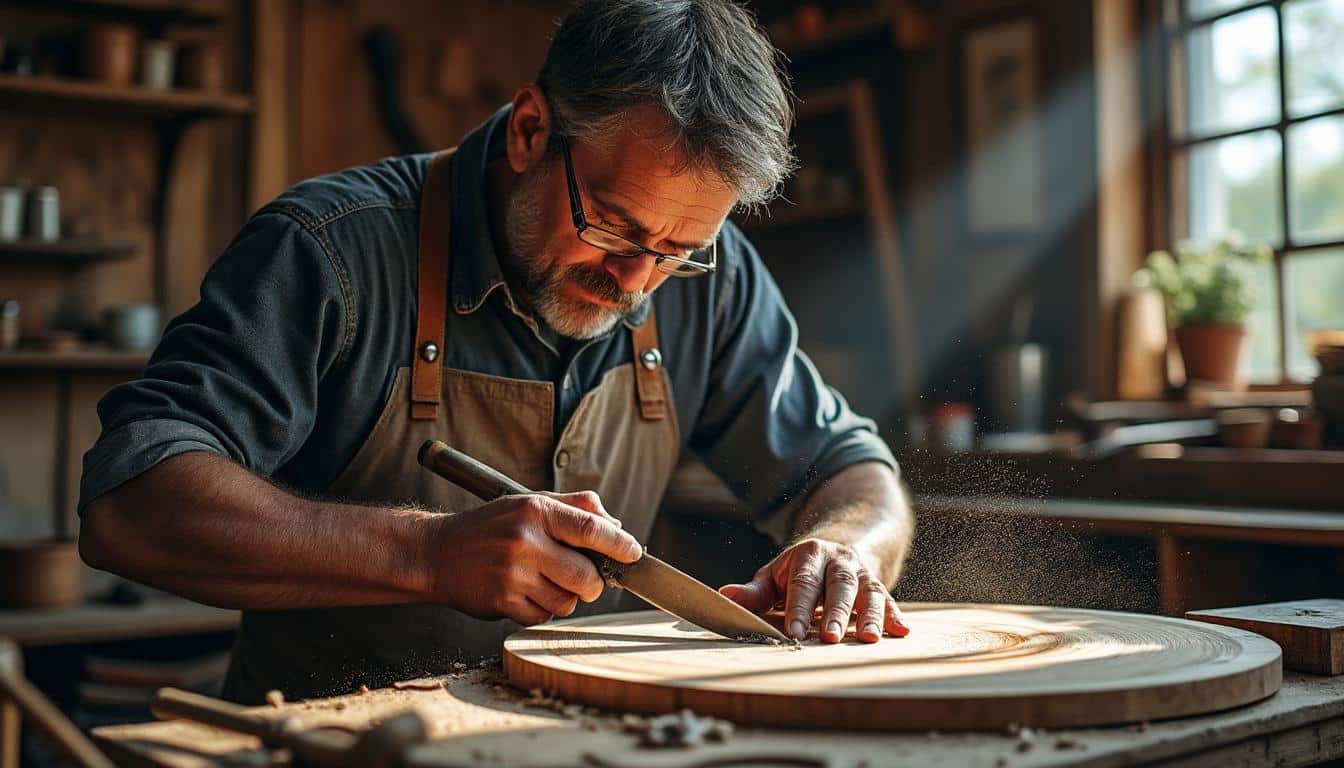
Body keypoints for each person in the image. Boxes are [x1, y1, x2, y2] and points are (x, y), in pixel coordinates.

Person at [77, 0, 914, 704]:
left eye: (677, 249)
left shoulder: (708, 278)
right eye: (613, 226)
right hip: (332, 742)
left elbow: (850, 469)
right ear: (528, 130)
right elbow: (132, 502)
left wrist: (847, 548)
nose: (636, 279)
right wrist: (424, 552)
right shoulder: (331, 251)